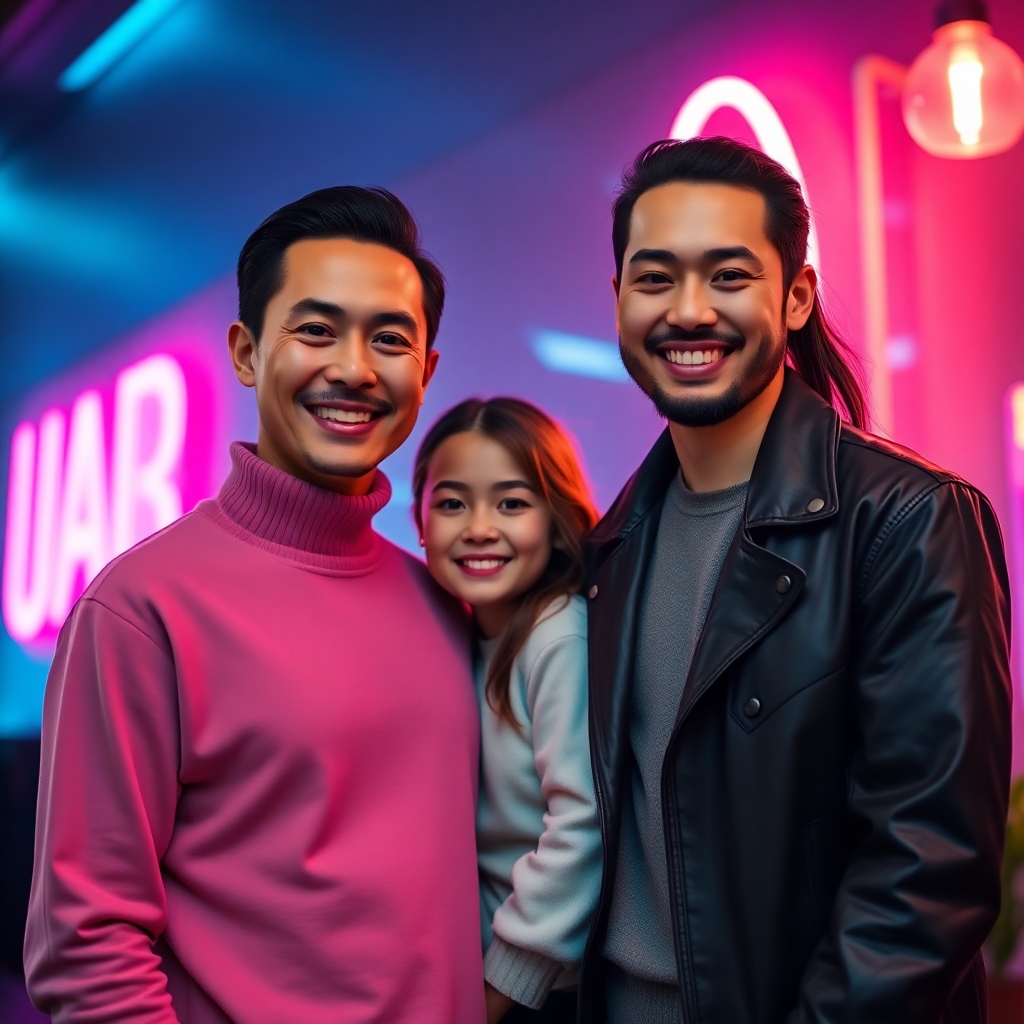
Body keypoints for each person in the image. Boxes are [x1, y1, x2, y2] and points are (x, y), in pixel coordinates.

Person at [25, 186, 486, 1023]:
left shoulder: (448, 604)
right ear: (246, 351)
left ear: (426, 372)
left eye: (390, 338)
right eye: (315, 330)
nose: (352, 367)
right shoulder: (141, 609)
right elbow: (85, 945)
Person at [579, 137, 1012, 1023]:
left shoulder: (907, 519)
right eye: (654, 278)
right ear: (619, 300)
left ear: (797, 296)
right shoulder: (609, 549)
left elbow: (926, 873)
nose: (687, 310)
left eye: (728, 275)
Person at [413, 398, 603, 1024]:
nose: (479, 527)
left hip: (547, 992)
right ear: (418, 521)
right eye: (452, 503)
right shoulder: (452, 638)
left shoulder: (558, 638)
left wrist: (499, 990)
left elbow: (584, 827)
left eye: (512, 503)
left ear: (557, 519)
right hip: (483, 974)